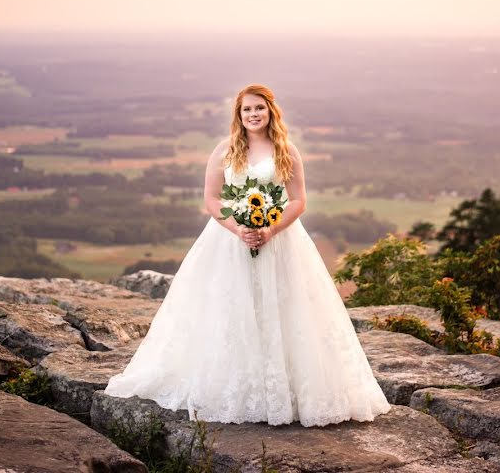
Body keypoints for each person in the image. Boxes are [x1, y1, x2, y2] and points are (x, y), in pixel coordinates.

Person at [104, 84, 391, 427]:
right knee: (230, 309)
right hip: (230, 240)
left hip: (281, 240)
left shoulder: (286, 150)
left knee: (288, 310)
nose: (253, 115)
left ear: (271, 112)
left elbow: (298, 200)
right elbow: (211, 199)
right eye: (246, 110)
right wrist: (237, 228)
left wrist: (270, 229)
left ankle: (291, 391)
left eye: (259, 108)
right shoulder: (225, 150)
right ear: (238, 116)